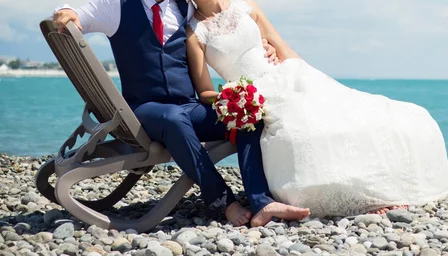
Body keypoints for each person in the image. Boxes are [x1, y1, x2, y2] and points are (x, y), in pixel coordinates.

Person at [186, 0, 448, 225]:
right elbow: (205, 92)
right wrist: (237, 97)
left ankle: (375, 191)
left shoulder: (248, 7)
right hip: (252, 96)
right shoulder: (194, 32)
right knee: (300, 132)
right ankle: (344, 198)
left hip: (288, 75)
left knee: (353, 115)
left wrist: (311, 82)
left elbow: (284, 51)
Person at [51, 0, 310, 227]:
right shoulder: (116, 6)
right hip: (146, 109)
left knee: (247, 117)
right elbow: (77, 13)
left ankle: (261, 201)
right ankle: (223, 201)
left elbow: (221, 27)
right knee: (174, 119)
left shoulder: (184, 7)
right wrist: (64, 11)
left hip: (188, 105)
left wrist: (264, 45)